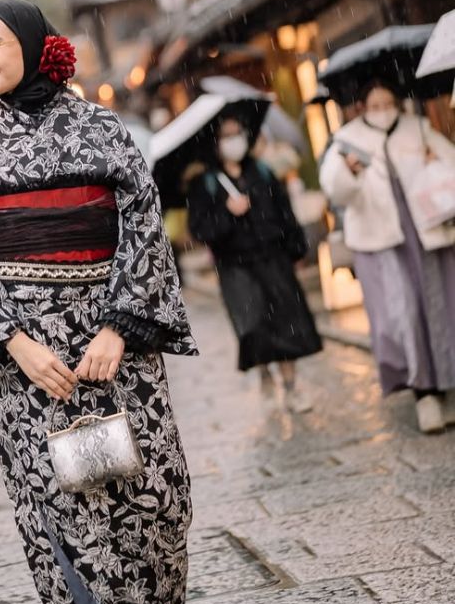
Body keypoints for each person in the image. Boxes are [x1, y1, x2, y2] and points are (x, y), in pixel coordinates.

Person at [0, 0, 195, 604]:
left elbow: (143, 225)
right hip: (28, 367)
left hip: (115, 348)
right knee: (67, 515)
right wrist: (15, 343)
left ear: (30, 44)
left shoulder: (102, 131)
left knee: (154, 503)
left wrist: (119, 323)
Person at [320, 81, 455, 434]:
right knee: (402, 315)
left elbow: (450, 165)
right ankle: (423, 391)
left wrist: (435, 160)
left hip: (426, 232)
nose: (383, 109)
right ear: (362, 106)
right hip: (380, 241)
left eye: (388, 102)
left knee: (440, 306)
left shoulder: (418, 127)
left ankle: (447, 384)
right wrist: (349, 171)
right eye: (375, 104)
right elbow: (334, 188)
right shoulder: (347, 139)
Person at [187, 117, 322, 410]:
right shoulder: (206, 183)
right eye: (227, 136)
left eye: (238, 133)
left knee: (286, 321)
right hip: (235, 266)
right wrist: (226, 213)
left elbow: (284, 212)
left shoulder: (261, 171)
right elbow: (199, 230)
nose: (234, 140)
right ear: (216, 142)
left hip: (272, 258)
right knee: (253, 325)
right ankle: (265, 374)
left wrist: (296, 247)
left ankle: (291, 386)